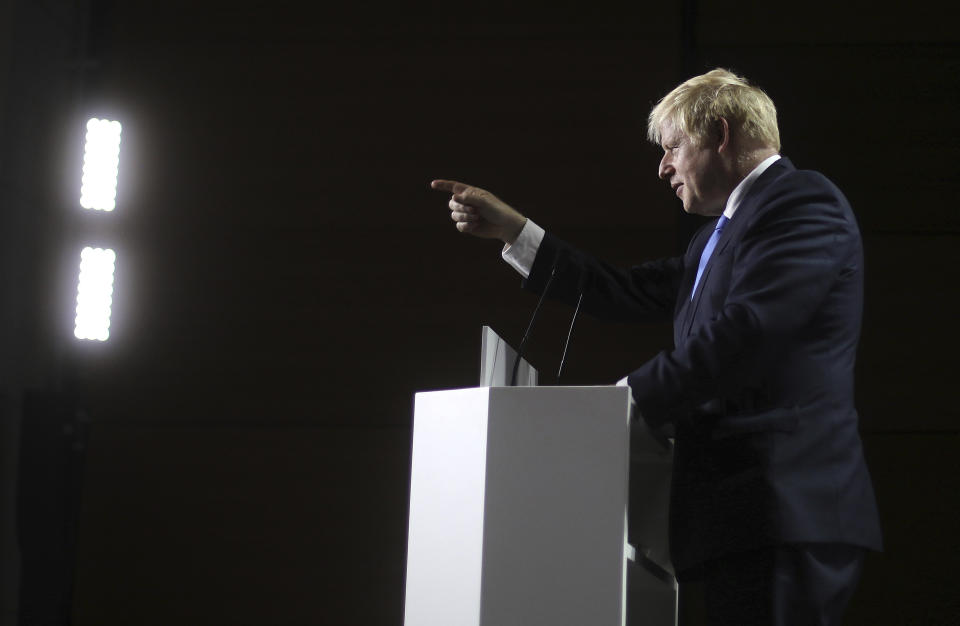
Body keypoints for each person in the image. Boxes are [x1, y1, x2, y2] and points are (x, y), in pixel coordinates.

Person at [430, 68, 882, 625]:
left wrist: (623, 402)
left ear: (719, 133)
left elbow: (748, 331)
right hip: (732, 519)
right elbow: (622, 290)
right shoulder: (713, 239)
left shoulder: (802, 203)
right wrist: (516, 232)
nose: (663, 166)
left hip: (783, 511)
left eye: (672, 147)